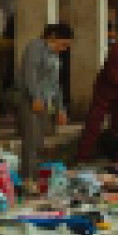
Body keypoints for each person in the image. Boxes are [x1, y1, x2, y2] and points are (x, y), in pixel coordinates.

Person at [76, 17, 118, 162]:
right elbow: (111, 75)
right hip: (105, 93)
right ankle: (82, 158)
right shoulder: (115, 50)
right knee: (93, 126)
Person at [16, 22, 72, 175]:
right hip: (31, 101)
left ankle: (34, 175)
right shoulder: (35, 47)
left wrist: (60, 108)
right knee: (31, 142)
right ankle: (28, 178)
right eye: (63, 44)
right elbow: (30, 74)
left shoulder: (54, 56)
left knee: (39, 142)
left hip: (45, 103)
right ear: (53, 37)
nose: (64, 49)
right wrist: (35, 97)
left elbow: (55, 84)